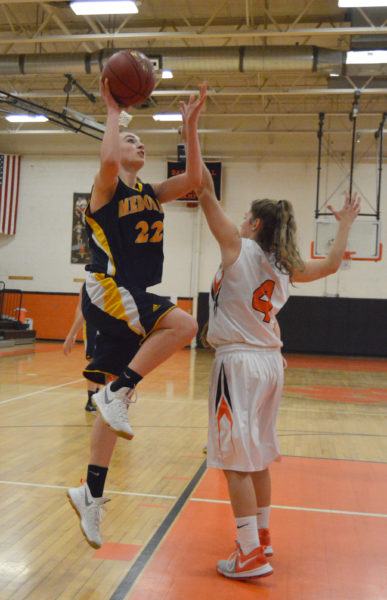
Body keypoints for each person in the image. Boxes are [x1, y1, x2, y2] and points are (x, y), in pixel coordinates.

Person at [192, 156, 360, 579]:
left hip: (240, 362)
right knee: (259, 457)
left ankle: (248, 555)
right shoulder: (285, 264)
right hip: (270, 362)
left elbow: (204, 190)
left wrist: (191, 131)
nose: (242, 220)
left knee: (234, 461)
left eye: (247, 216)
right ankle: (261, 539)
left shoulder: (239, 247)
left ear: (254, 225)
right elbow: (333, 265)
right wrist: (344, 225)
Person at [67, 79, 207, 549]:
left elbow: (194, 181)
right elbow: (107, 159)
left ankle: (90, 492)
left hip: (130, 293)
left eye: (141, 140)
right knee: (185, 324)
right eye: (132, 138)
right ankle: (121, 390)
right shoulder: (106, 190)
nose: (138, 143)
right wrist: (112, 111)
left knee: (112, 402)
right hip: (108, 288)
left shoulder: (150, 191)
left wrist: (189, 129)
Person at [63, 284, 102, 412]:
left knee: (104, 361)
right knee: (94, 361)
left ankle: (97, 397)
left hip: (108, 324)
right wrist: (73, 333)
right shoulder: (88, 284)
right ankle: (91, 400)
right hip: (92, 326)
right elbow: (81, 308)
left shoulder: (113, 279)